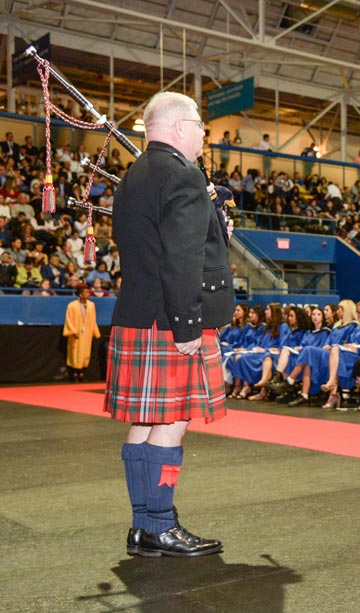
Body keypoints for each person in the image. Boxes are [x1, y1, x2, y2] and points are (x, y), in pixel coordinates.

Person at [103, 92, 234, 558]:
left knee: (144, 421)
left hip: (136, 315)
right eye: (200, 125)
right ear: (178, 127)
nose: (203, 134)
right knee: (172, 422)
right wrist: (187, 328)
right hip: (170, 321)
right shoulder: (183, 176)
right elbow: (182, 258)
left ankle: (143, 526)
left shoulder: (134, 176)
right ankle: (161, 525)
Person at [62, 283, 101, 382]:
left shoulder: (91, 305)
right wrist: (73, 331)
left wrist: (95, 332)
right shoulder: (72, 306)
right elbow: (68, 320)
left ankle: (82, 374)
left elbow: (93, 320)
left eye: (88, 292)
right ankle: (74, 374)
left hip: (87, 333)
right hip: (76, 333)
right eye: (86, 292)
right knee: (75, 354)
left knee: (85, 354)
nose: (88, 294)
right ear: (80, 294)